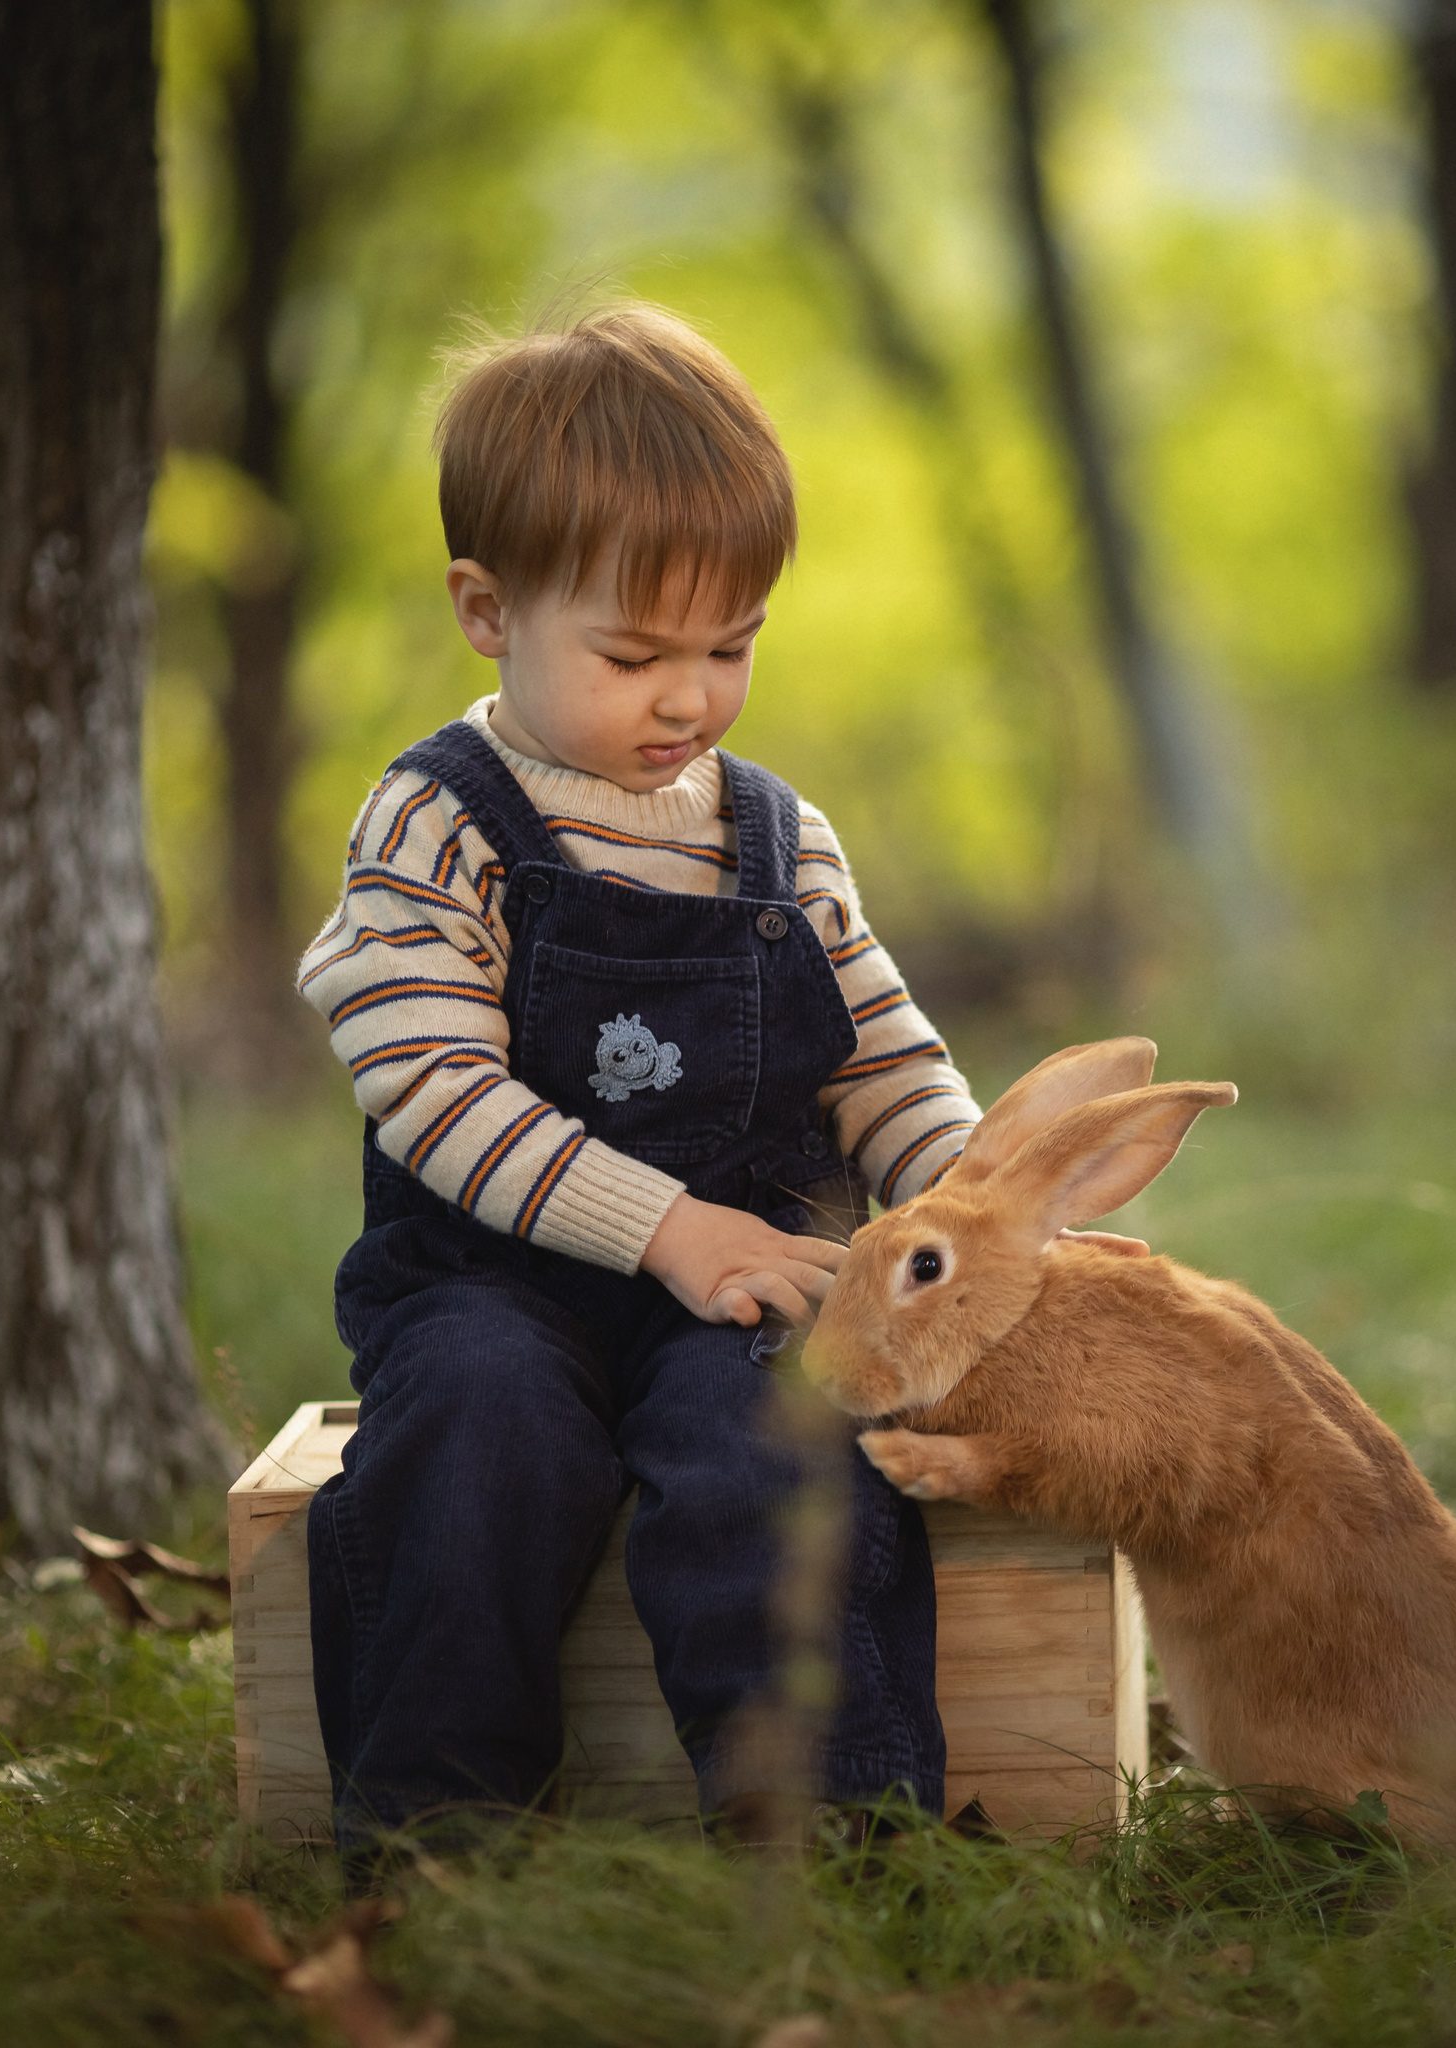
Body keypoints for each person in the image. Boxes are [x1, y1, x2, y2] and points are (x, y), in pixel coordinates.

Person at [296, 303, 980, 1852]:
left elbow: (881, 1057)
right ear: (488, 608)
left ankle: (827, 1826)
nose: (689, 698)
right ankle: (436, 1829)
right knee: (473, 1433)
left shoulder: (775, 839)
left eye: (732, 647)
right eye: (634, 653)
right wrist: (666, 1229)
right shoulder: (435, 824)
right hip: (490, 1280)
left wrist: (978, 1213)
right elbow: (431, 1088)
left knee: (774, 1443)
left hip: (746, 1284)